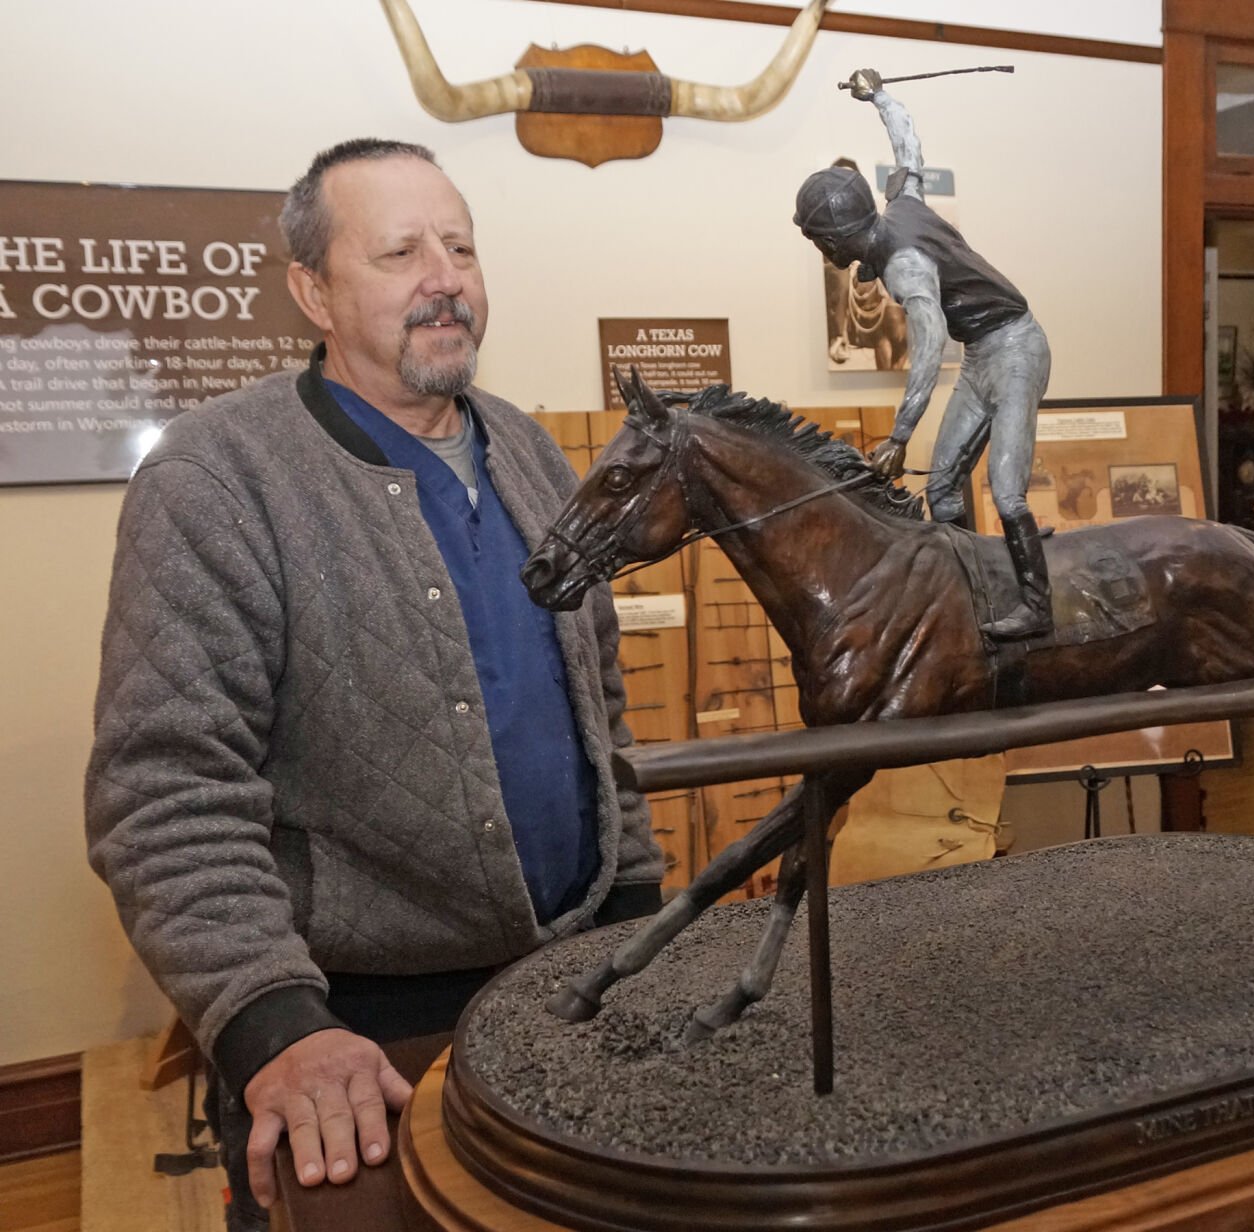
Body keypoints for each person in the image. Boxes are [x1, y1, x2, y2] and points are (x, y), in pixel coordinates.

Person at [84, 138, 665, 1231]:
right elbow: (165, 796)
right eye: (400, 253)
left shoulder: (531, 452)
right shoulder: (217, 478)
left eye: (461, 247)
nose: (444, 278)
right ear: (313, 292)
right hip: (358, 1029)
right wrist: (275, 1024)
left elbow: (604, 723)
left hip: (570, 982)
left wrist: (637, 925)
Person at [793, 68, 1054, 640]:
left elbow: (931, 342)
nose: (820, 251)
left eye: (817, 242)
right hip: (982, 354)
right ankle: (980, 587)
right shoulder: (902, 203)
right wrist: (879, 96)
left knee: (1006, 490)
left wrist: (900, 436)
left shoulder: (904, 265)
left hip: (1016, 350)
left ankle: (1038, 606)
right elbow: (908, 145)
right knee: (940, 488)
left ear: (833, 240)